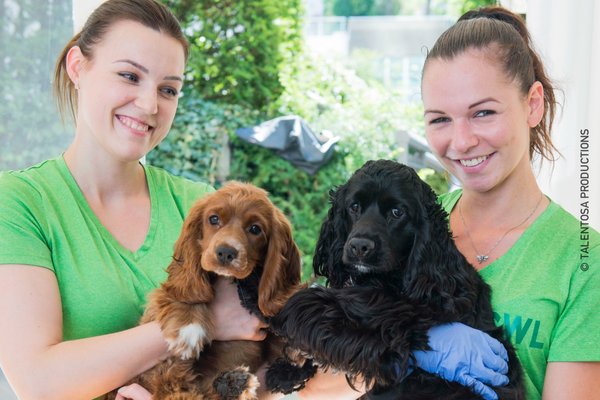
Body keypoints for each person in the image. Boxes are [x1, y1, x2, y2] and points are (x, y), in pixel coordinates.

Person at [0, 1, 269, 399]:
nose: (149, 105)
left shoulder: (203, 209)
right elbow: (39, 381)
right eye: (129, 76)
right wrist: (202, 321)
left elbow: (254, 357)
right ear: (78, 66)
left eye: (168, 89)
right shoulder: (20, 203)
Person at [419, 6, 600, 400]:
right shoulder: (409, 226)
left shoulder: (585, 262)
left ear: (532, 104)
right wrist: (416, 347)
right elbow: (325, 376)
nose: (461, 141)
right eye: (439, 119)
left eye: (483, 113)